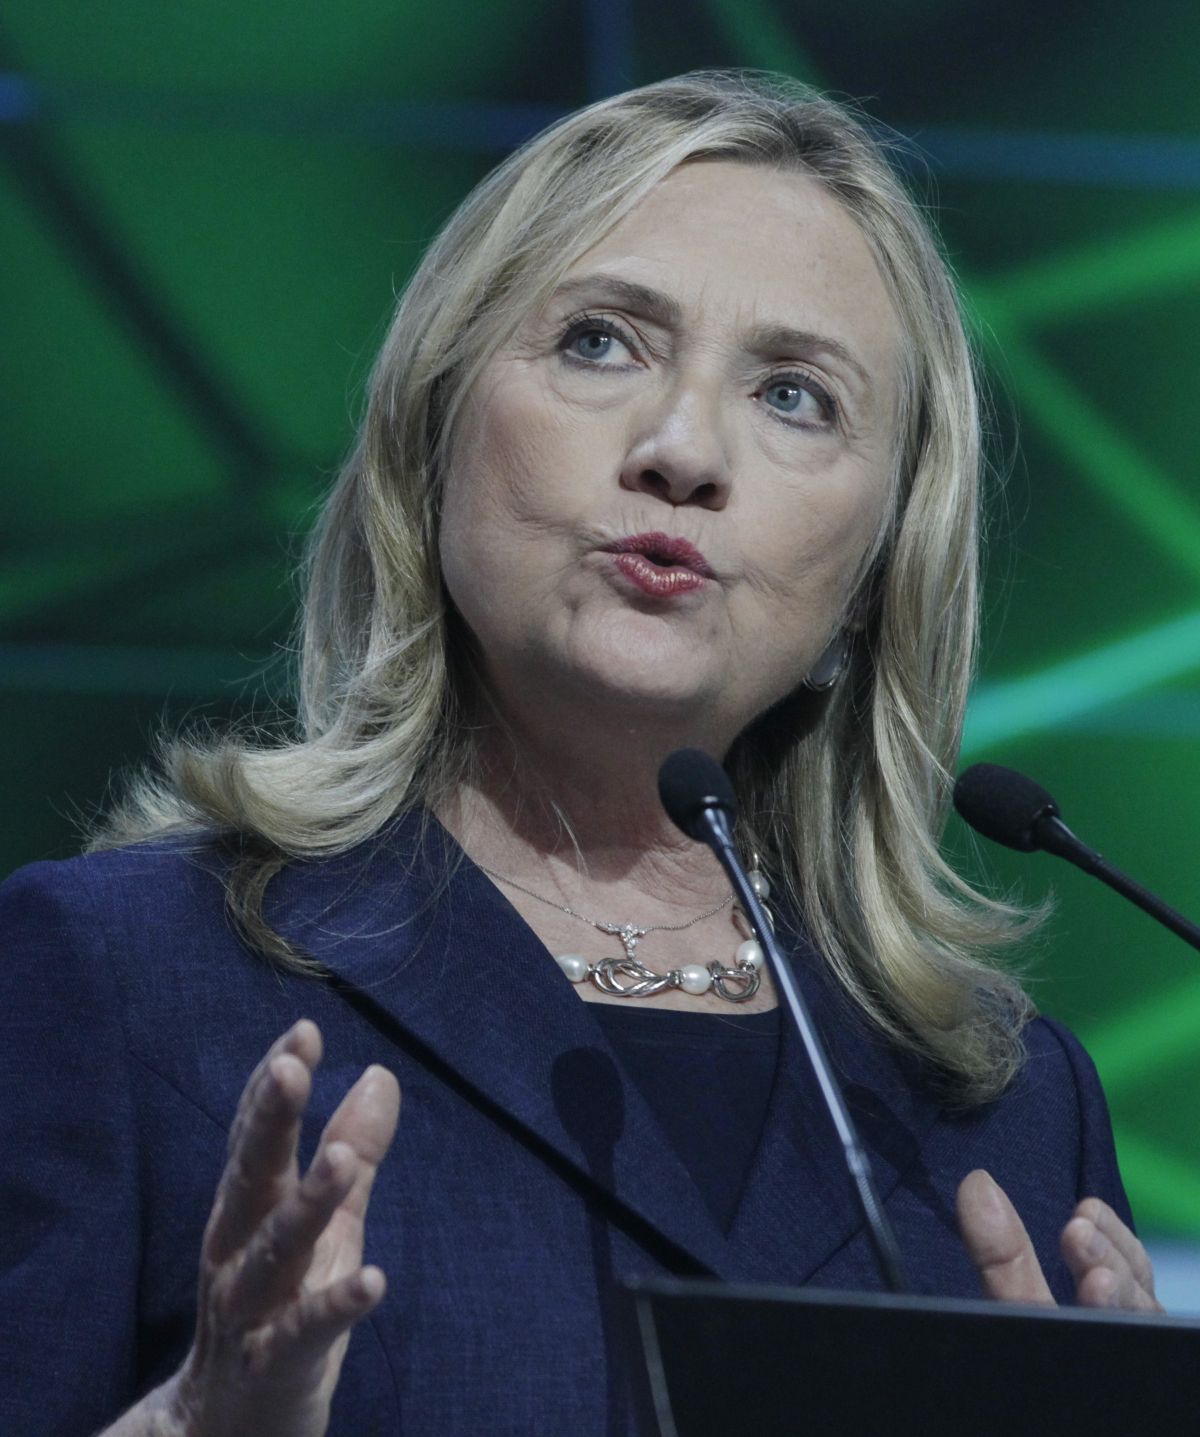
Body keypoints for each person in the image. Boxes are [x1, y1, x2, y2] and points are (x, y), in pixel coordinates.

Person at [0, 70, 1161, 1437]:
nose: (682, 452)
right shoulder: (129, 980)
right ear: (432, 432)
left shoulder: (1015, 1109)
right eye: (602, 342)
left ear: (870, 577)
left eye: (795, 395)